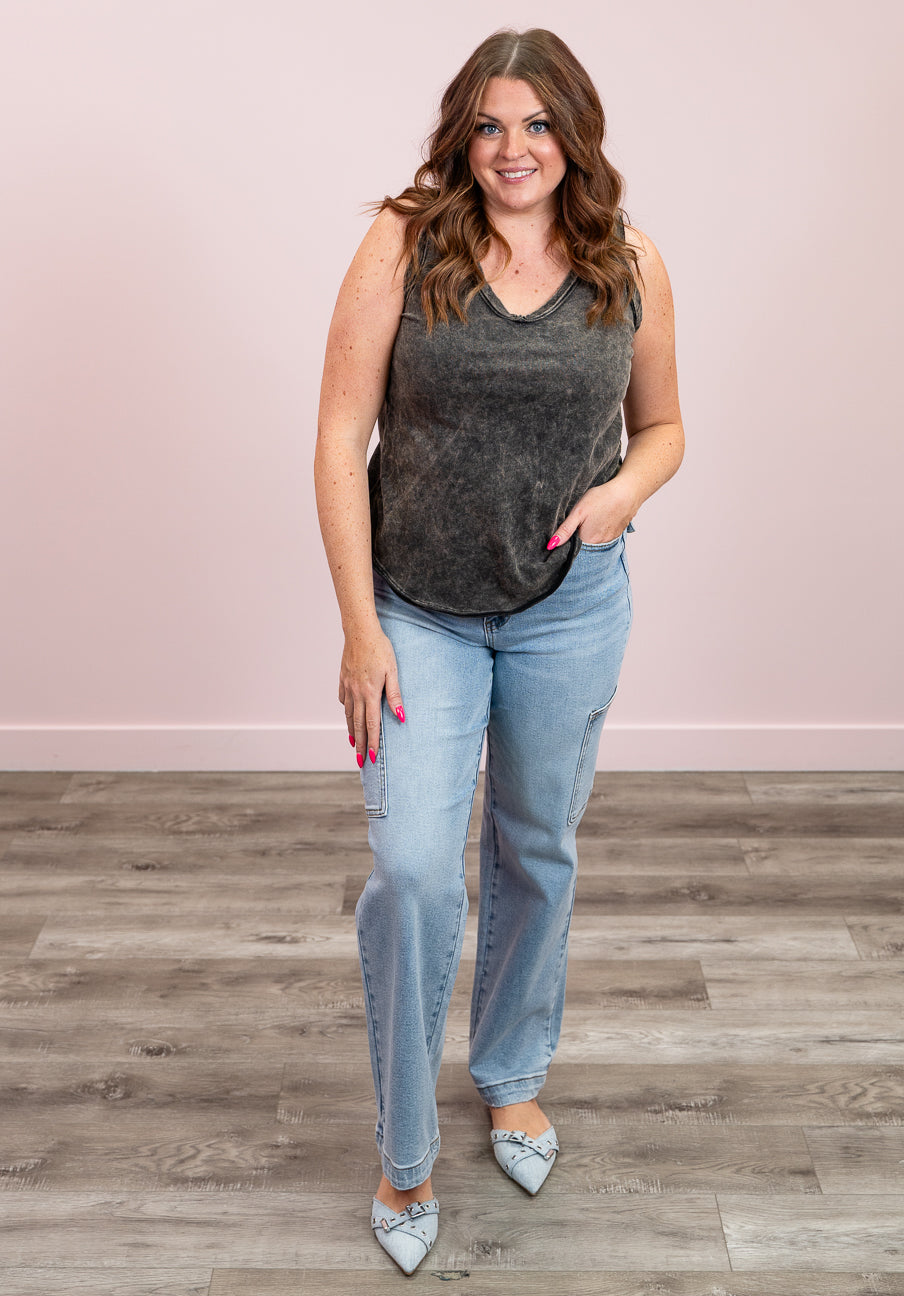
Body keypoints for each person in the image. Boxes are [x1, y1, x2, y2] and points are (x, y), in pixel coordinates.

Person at [314, 27, 684, 1275]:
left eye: (536, 124)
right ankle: (405, 1149)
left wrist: (622, 494)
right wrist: (360, 629)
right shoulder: (404, 243)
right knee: (415, 873)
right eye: (487, 124)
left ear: (574, 132)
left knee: (536, 845)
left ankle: (514, 1073)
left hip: (569, 610)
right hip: (418, 610)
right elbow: (338, 436)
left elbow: (665, 426)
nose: (511, 149)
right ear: (459, 134)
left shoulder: (629, 261)